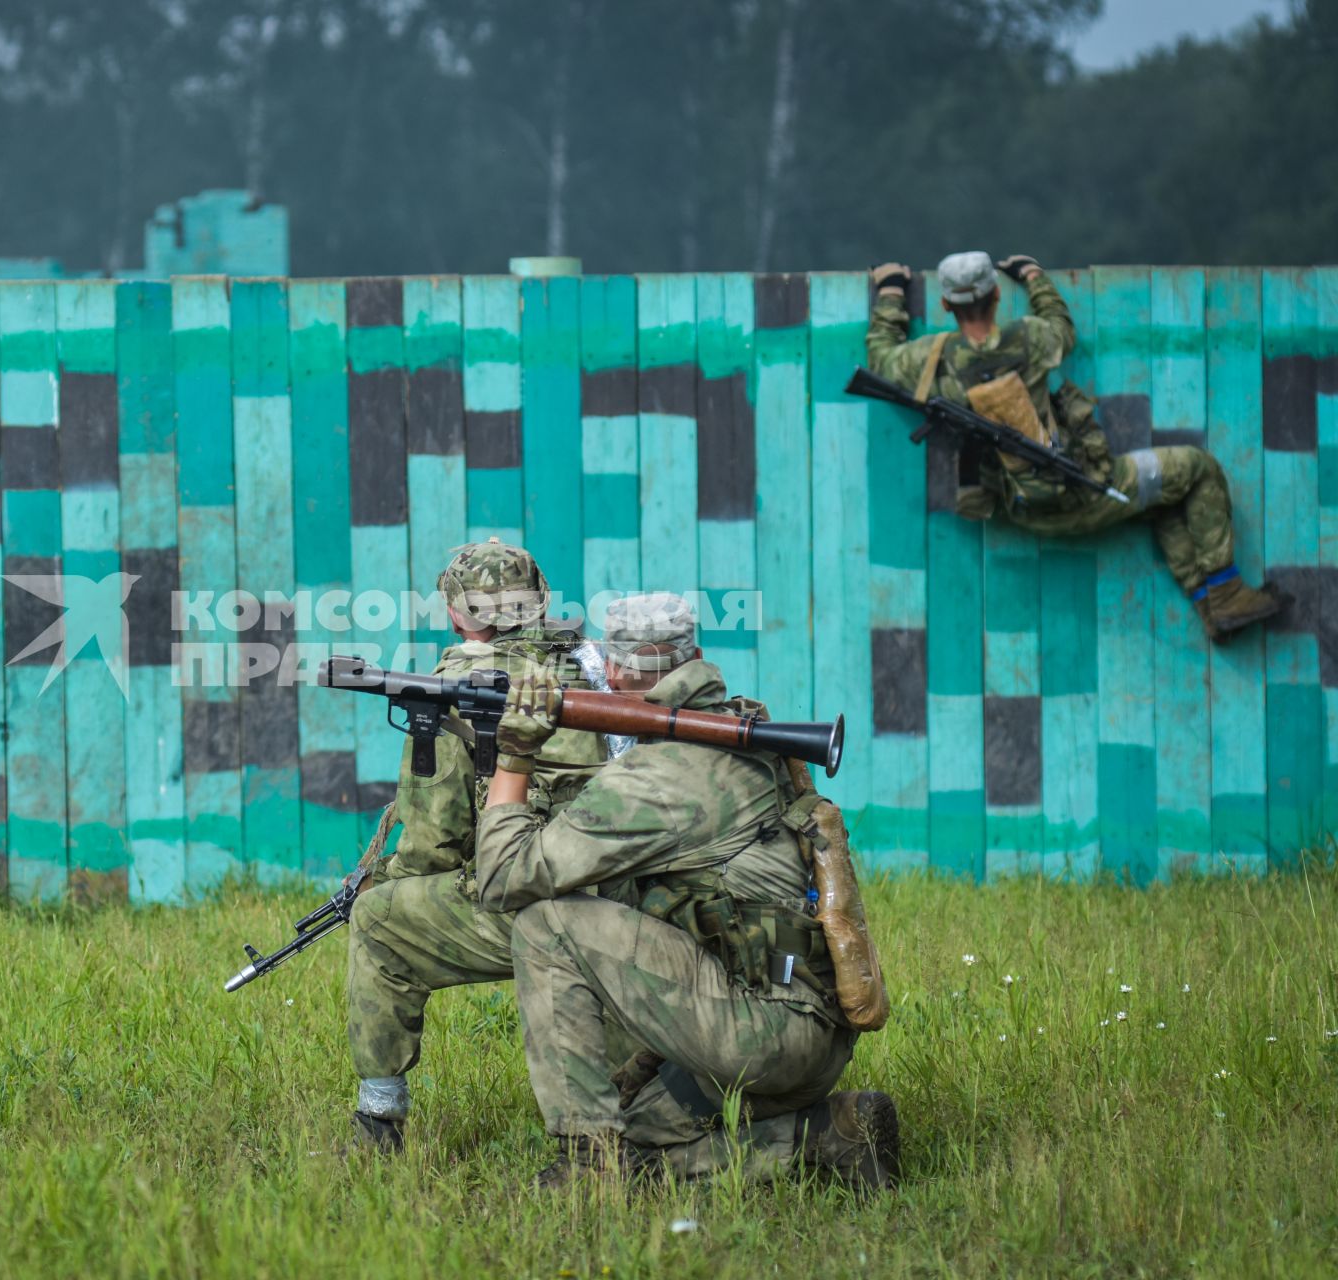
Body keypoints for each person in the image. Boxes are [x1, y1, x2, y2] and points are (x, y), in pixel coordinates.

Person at [474, 593, 897, 1188]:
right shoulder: (746, 732)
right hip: (809, 1022)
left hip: (764, 1032)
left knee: (546, 924)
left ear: (613, 673)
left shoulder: (657, 779)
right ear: (694, 656)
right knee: (641, 1133)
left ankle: (590, 1163)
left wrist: (514, 755)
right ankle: (830, 1133)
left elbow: (501, 877)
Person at [342, 538, 607, 1152]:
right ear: (540, 603)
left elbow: (432, 841)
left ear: (457, 615)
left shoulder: (458, 685)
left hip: (543, 902)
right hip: (630, 890)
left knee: (379, 921)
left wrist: (380, 878)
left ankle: (378, 1123)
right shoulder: (598, 664)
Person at [867, 251, 1285, 640]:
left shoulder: (931, 359)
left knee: (1162, 500)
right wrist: (1033, 276)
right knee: (1197, 469)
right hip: (1089, 494)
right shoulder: (1030, 338)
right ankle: (1227, 590)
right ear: (996, 294)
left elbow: (881, 360)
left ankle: (1209, 606)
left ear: (945, 306)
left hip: (1021, 510)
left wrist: (890, 290)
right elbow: (1062, 327)